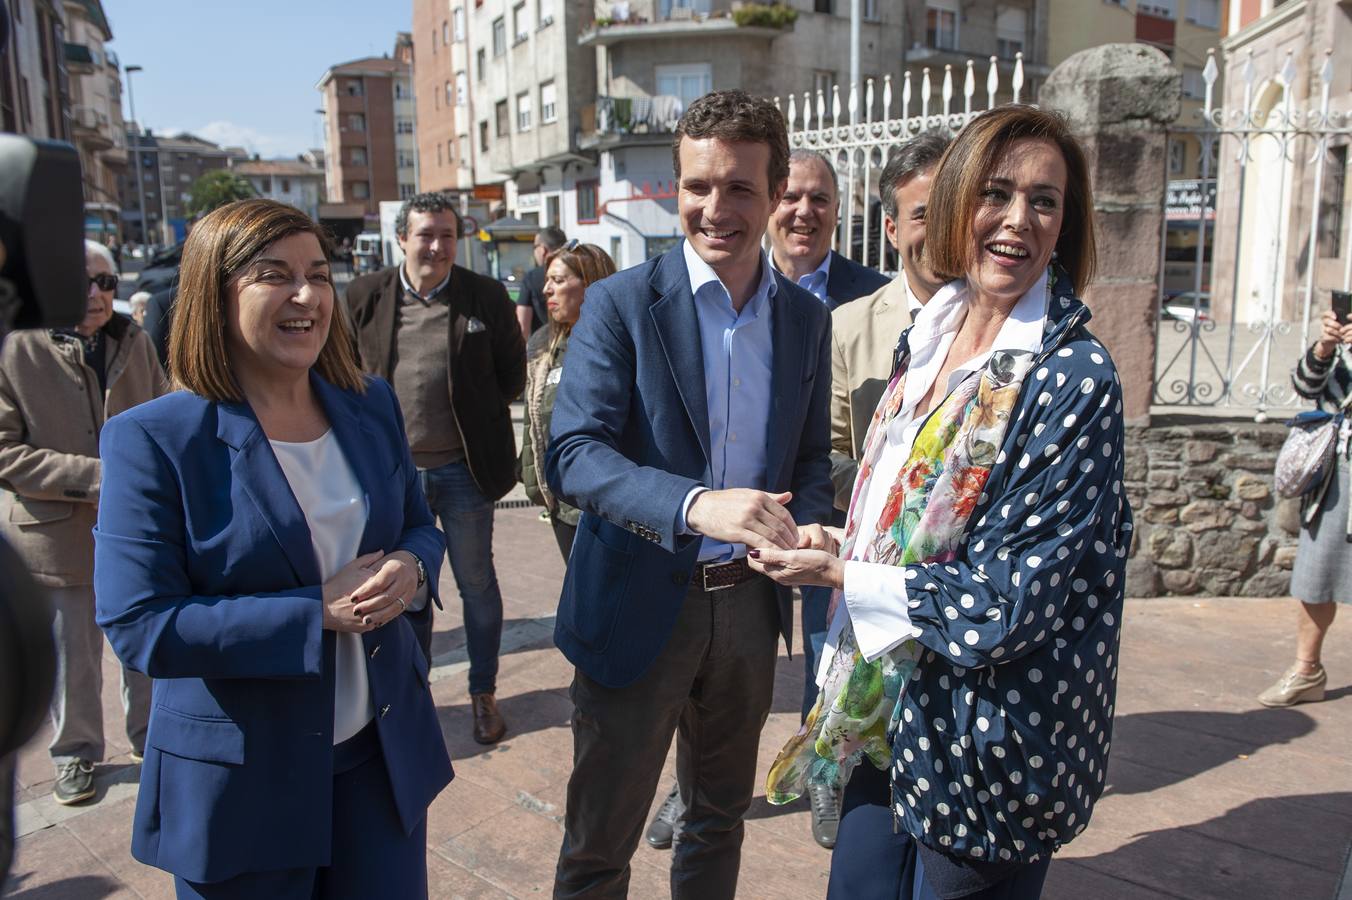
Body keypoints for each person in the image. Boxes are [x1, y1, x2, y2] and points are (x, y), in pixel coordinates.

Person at [755, 105, 1132, 899]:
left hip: (985, 742)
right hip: (884, 706)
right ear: (959, 201)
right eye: (997, 193)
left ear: (1067, 224)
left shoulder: (1072, 378)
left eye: (1045, 201)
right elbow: (905, 509)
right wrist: (842, 538)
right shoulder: (930, 331)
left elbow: (1007, 605)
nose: (1018, 221)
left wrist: (839, 577)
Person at [94, 199, 453, 898]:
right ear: (214, 293)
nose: (307, 295)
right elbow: (140, 626)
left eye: (319, 275)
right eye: (274, 275)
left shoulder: (368, 403)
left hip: (380, 762)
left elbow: (419, 527)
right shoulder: (153, 440)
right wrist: (312, 611)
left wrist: (411, 566)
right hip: (242, 784)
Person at [546, 89, 834, 900]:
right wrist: (693, 505)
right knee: (601, 840)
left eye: (740, 187)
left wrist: (810, 524)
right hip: (637, 603)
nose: (716, 208)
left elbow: (809, 456)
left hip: (748, 609)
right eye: (698, 186)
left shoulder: (805, 325)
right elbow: (572, 453)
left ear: (776, 194)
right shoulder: (619, 304)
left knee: (716, 822)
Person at [345, 191, 526, 745]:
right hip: (392, 480)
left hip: (463, 473)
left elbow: (511, 377)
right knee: (404, 589)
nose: (438, 246)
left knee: (477, 585)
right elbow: (342, 376)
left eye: (448, 235)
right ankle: (411, 693)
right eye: (426, 234)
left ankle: (483, 691)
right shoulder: (363, 296)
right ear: (402, 238)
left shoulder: (484, 296)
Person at [0, 239, 165, 805]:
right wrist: (99, 476)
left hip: (137, 531)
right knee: (74, 657)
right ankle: (75, 755)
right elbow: (4, 452)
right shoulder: (16, 348)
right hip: (55, 536)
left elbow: (162, 416)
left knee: (145, 643)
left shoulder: (134, 340)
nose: (96, 295)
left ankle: (152, 737)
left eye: (107, 282)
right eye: (81, 282)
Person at [829, 132, 952, 513]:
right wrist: (904, 505)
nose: (940, 230)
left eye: (952, 213)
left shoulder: (1009, 324)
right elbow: (824, 454)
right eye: (923, 215)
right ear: (892, 230)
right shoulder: (847, 328)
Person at [1259, 307, 1352, 706]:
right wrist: (1326, 345)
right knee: (1316, 573)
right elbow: (1305, 385)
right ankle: (1306, 670)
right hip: (1340, 473)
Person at [519, 241, 616, 561]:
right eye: (548, 280)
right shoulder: (543, 343)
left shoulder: (620, 342)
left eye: (558, 281)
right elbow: (534, 423)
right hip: (561, 504)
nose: (547, 289)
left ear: (591, 285)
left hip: (608, 505)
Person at [517, 225, 568, 343]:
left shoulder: (531, 278)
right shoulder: (578, 271)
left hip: (544, 350)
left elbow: (522, 327)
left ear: (543, 249)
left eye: (535, 247)